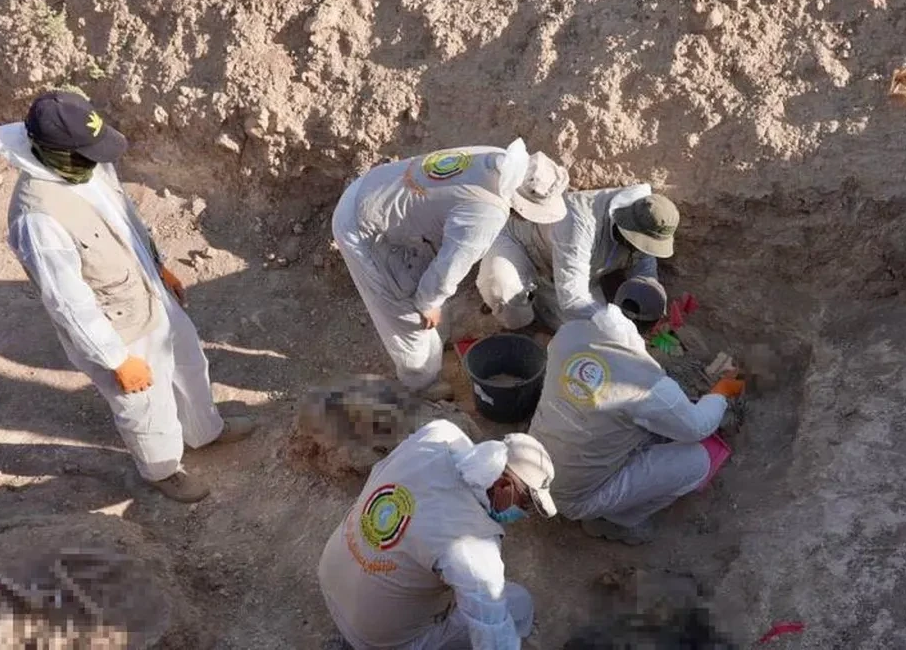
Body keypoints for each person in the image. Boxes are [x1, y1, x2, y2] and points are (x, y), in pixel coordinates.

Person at [0, 91, 253, 503]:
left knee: (188, 363)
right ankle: (163, 470)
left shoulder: (86, 165)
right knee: (143, 404)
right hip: (116, 326)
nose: (98, 160)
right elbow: (67, 303)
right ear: (53, 152)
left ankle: (206, 432)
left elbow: (127, 219)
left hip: (148, 293)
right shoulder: (37, 217)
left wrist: (158, 265)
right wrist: (116, 359)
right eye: (88, 154)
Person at [332, 140, 568, 400]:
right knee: (409, 319)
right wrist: (427, 303)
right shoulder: (487, 214)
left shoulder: (499, 159)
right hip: (364, 227)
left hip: (375, 189)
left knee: (423, 296)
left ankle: (433, 343)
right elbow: (448, 269)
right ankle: (421, 385)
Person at [318, 419, 556, 649]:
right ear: (503, 486)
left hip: (330, 575)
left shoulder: (439, 434)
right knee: (518, 604)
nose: (523, 514)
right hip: (377, 640)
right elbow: (493, 639)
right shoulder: (475, 545)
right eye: (524, 504)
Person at [526, 303, 744, 545]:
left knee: (626, 422)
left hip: (531, 465)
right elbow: (698, 428)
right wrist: (722, 391)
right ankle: (617, 521)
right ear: (655, 329)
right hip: (574, 498)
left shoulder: (570, 333)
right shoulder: (646, 383)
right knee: (697, 462)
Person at [476, 184, 679, 331]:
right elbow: (572, 298)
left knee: (590, 336)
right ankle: (525, 317)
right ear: (625, 226)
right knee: (507, 298)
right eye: (639, 244)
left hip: (571, 276)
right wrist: (620, 328)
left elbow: (644, 270)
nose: (641, 250)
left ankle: (540, 302)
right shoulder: (580, 221)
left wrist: (654, 304)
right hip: (522, 248)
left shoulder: (646, 223)